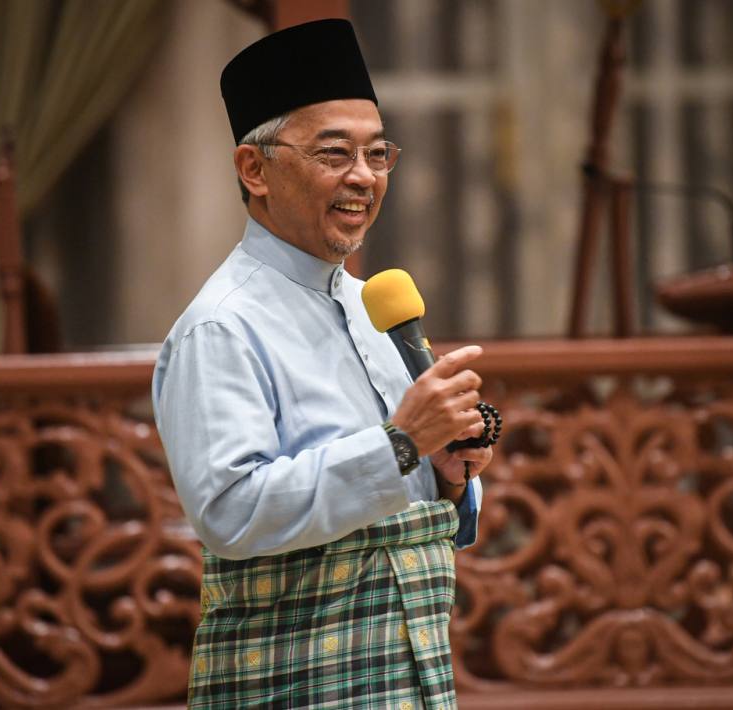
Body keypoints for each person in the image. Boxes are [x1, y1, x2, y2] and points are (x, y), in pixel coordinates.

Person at [152, 19, 493, 709]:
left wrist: (448, 475)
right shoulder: (221, 327)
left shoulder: (377, 305)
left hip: (406, 681)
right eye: (334, 153)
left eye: (377, 153)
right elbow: (231, 512)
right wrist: (403, 444)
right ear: (255, 170)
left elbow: (407, 489)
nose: (363, 177)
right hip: (295, 687)